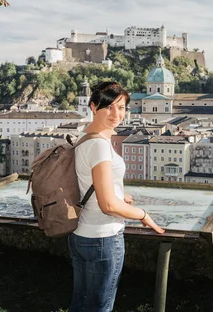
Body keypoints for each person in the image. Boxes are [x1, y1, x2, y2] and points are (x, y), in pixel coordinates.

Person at [69, 81, 165, 312]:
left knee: (81, 303)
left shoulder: (86, 137)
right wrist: (143, 214)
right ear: (93, 107)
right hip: (103, 237)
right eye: (109, 107)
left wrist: (121, 194)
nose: (116, 114)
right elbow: (108, 205)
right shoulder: (100, 146)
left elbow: (89, 182)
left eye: (121, 108)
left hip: (80, 234)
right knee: (99, 307)